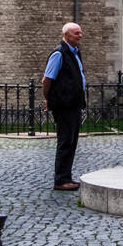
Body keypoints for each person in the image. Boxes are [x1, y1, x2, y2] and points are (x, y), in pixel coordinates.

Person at [42, 22, 87, 191]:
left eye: (80, 32)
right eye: (76, 33)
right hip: (64, 105)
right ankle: (60, 180)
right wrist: (49, 99)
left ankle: (66, 177)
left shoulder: (74, 52)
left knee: (71, 142)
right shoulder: (59, 54)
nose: (80, 35)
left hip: (73, 103)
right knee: (65, 142)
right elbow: (47, 79)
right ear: (67, 35)